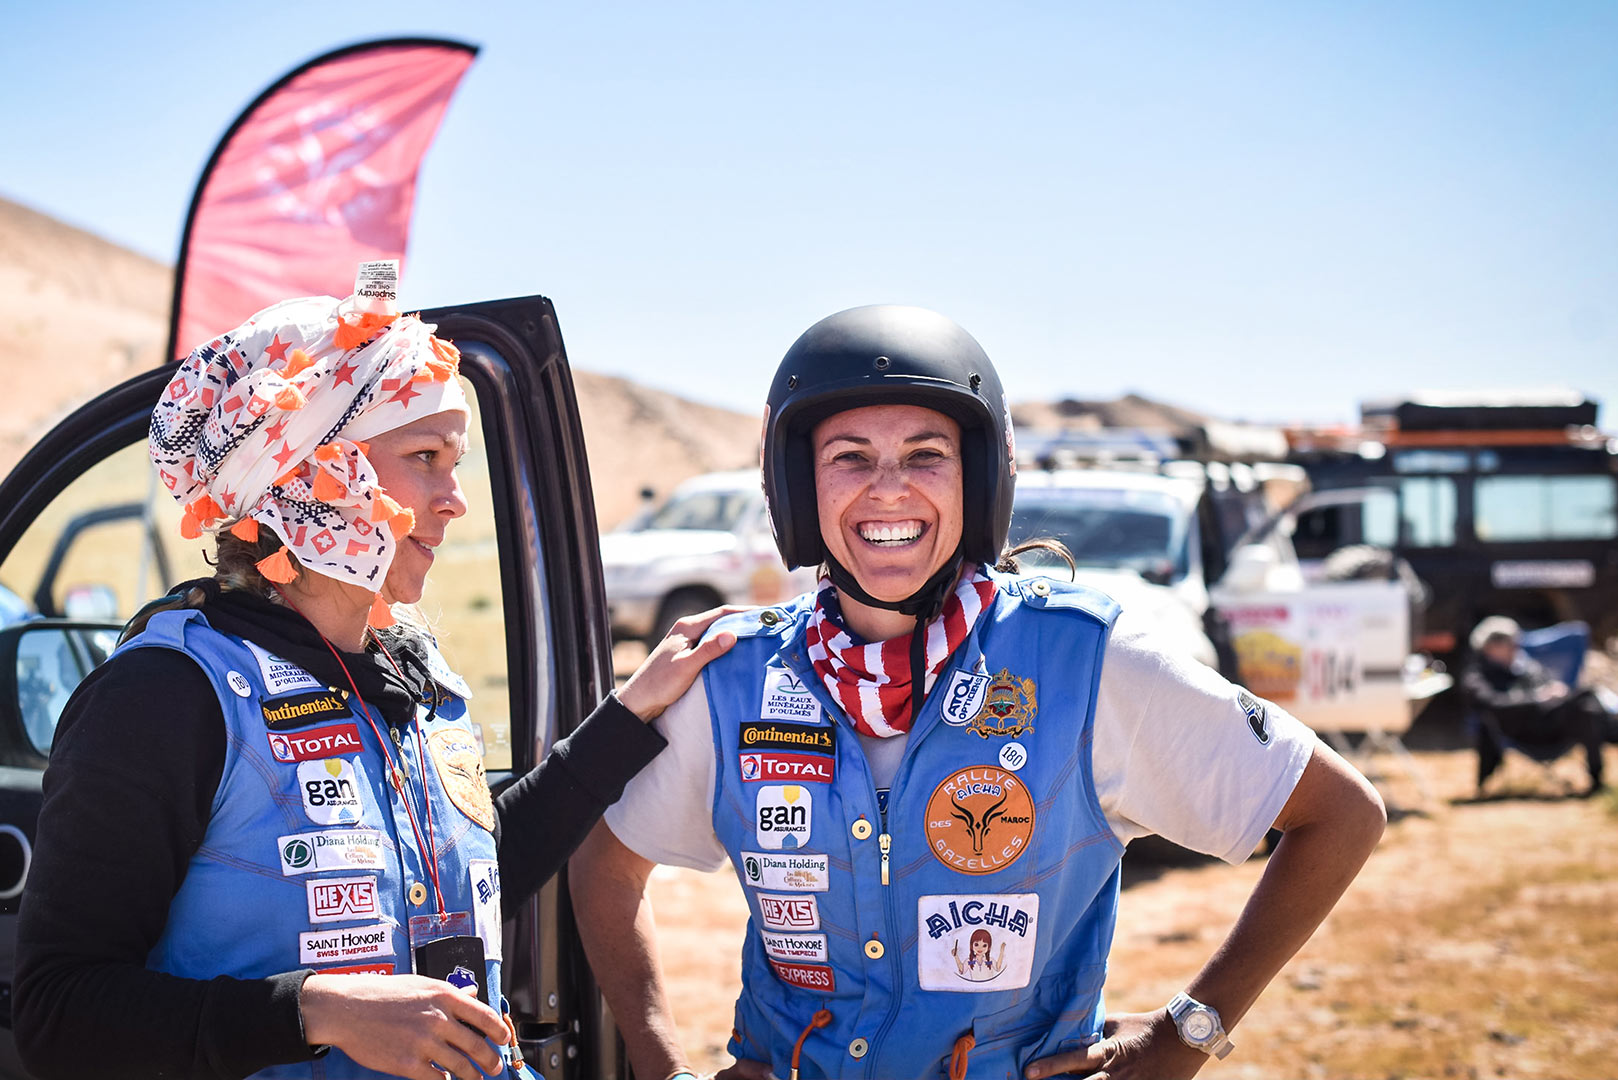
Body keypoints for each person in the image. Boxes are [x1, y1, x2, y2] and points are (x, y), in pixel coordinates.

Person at [570, 305, 1389, 1080]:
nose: (888, 488)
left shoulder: (1088, 662)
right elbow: (604, 865)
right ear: (796, 486)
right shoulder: (736, 681)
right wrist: (660, 1064)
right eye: (849, 457)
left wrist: (1186, 1036)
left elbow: (1340, 813)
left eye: (927, 455)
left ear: (980, 480)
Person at [12, 268, 736, 1080]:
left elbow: (482, 869)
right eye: (424, 457)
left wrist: (631, 711)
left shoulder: (406, 663)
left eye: (454, 461)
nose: (454, 498)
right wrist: (318, 1012)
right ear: (307, 472)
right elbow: (58, 1015)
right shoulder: (165, 696)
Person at [1462, 615, 1618, 797]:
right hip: (1524, 731)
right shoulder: (1477, 676)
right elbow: (1493, 704)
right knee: (1587, 698)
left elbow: (1545, 683)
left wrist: (1554, 691)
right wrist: (1537, 698)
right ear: (1490, 647)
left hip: (1551, 723)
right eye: (1510, 644)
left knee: (1587, 709)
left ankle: (1607, 772)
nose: (1515, 648)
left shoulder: (1522, 667)